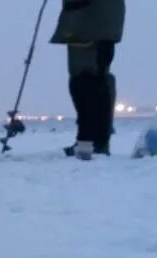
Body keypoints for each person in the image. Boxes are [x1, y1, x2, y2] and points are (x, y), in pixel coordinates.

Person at [51, 0, 126, 160]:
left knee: (88, 81)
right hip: (90, 23)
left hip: (91, 24)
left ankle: (94, 143)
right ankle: (89, 142)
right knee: (85, 80)